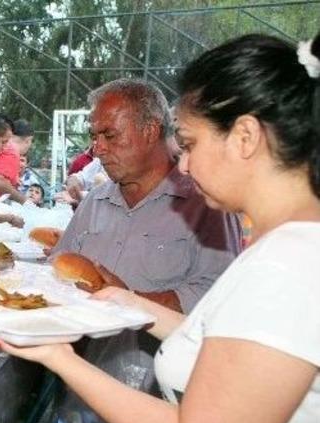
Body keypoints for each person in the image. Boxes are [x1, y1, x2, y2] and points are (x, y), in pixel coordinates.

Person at [0, 32, 320, 423]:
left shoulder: (287, 263)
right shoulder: (289, 248)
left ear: (245, 137)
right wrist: (128, 302)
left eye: (189, 144)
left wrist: (58, 357)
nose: (183, 164)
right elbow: (229, 343)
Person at [51, 78, 242, 313]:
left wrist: (132, 301)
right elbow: (57, 266)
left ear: (150, 131)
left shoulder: (207, 206)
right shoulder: (94, 201)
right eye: (94, 137)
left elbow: (217, 294)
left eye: (110, 135)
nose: (98, 149)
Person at [0, 119, 34, 203]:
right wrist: (23, 200)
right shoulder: (12, 153)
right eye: (31, 141)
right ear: (28, 140)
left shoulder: (2, 146)